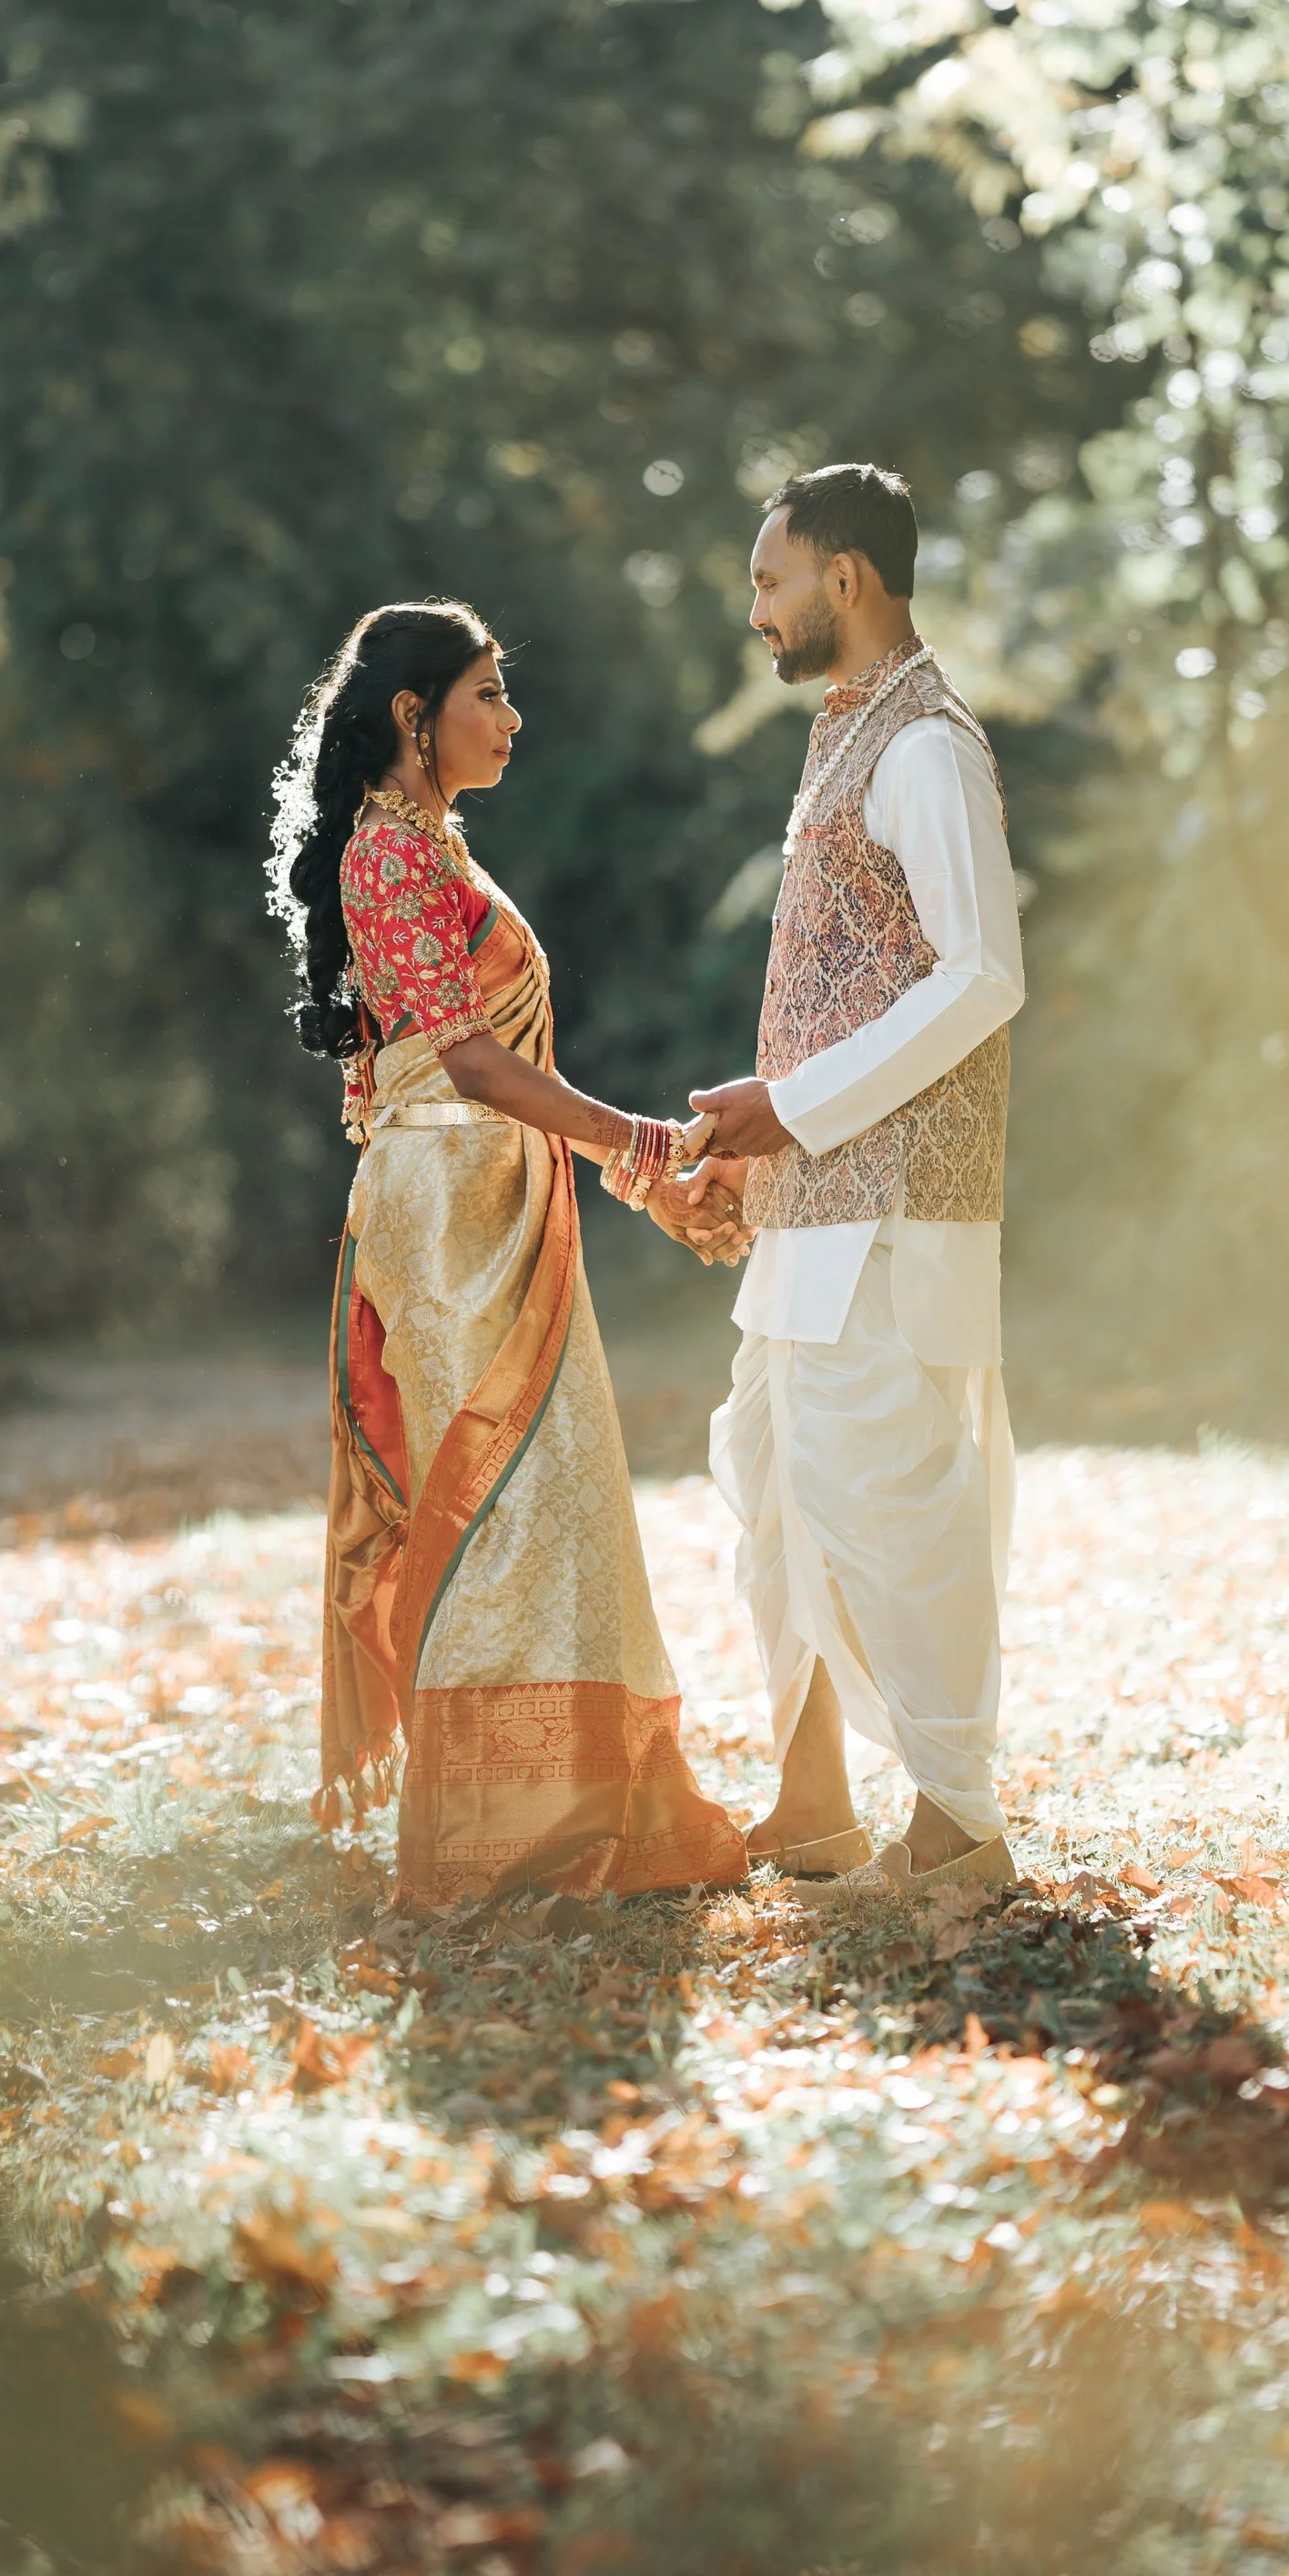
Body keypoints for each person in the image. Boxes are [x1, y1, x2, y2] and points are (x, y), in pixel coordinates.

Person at [269, 600, 748, 1908]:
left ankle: (585, 1805)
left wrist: (636, 1176)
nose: (513, 717)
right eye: (488, 692)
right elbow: (474, 1063)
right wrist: (645, 1148)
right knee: (494, 1506)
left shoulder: (434, 845)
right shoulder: (385, 854)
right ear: (415, 716)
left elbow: (501, 1069)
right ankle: (498, 1837)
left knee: (559, 1497)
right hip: (445, 1217)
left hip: (499, 1193)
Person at [685, 465, 1025, 1897]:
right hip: (813, 1210)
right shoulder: (843, 736)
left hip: (892, 1209)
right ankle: (812, 1799)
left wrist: (792, 1109)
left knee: (889, 1499)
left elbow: (985, 976)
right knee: (774, 1489)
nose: (755, 612)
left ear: (848, 579)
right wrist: (752, 1151)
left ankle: (958, 1823)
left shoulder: (926, 747)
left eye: (772, 581)